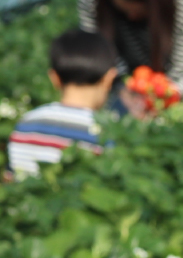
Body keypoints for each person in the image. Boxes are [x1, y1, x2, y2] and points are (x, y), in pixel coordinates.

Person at [7, 30, 116, 178]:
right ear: (109, 79)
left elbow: (11, 178)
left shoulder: (26, 123)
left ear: (54, 78)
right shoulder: (105, 132)